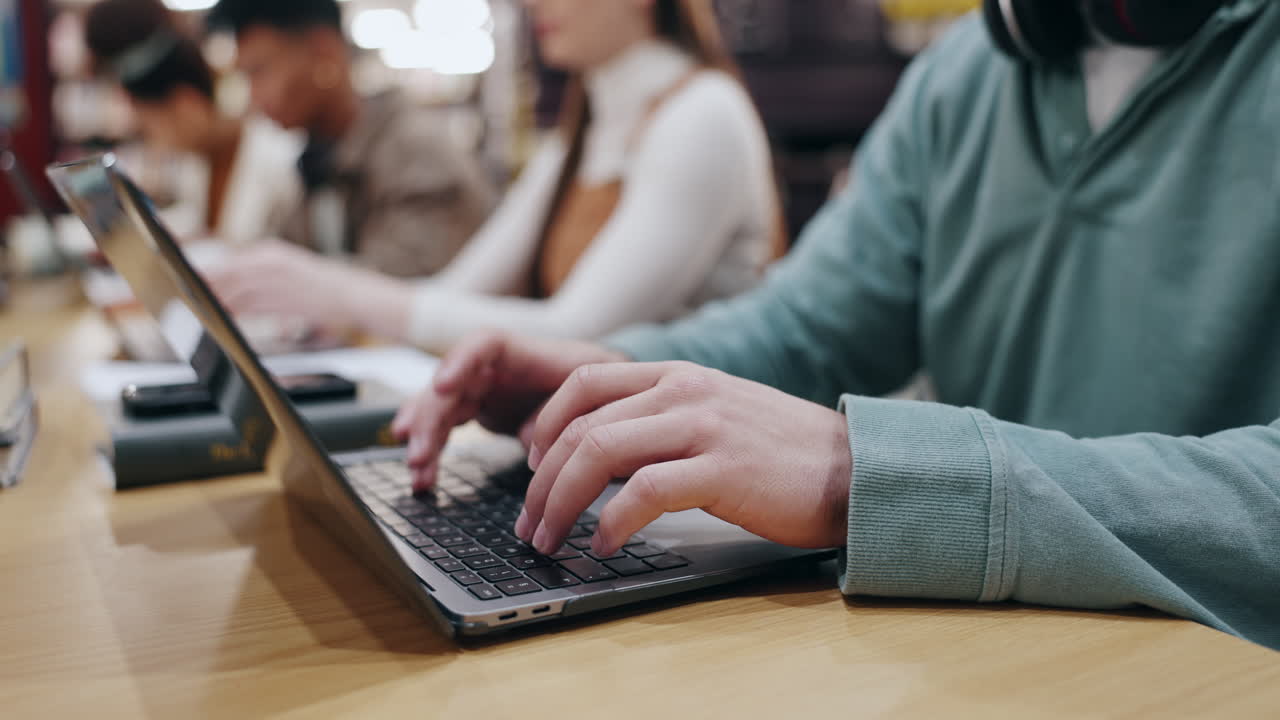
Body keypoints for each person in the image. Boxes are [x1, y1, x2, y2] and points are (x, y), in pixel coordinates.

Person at [392, 0, 1280, 651]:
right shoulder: (964, 74)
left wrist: (876, 474)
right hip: (981, 652)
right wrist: (613, 375)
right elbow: (808, 326)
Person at [207, 0, 785, 353]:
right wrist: (323, 300)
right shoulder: (583, 131)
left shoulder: (702, 113)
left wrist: (337, 292)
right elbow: (456, 291)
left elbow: (580, 334)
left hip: (685, 492)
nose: (532, 3)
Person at [203, 0, 496, 278]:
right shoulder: (318, 158)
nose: (253, 97)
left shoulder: (417, 154)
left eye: (260, 71)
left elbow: (398, 297)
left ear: (324, 53)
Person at [83, 0, 301, 244]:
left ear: (185, 105)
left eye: (150, 128)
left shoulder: (280, 159)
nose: (153, 142)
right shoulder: (194, 167)